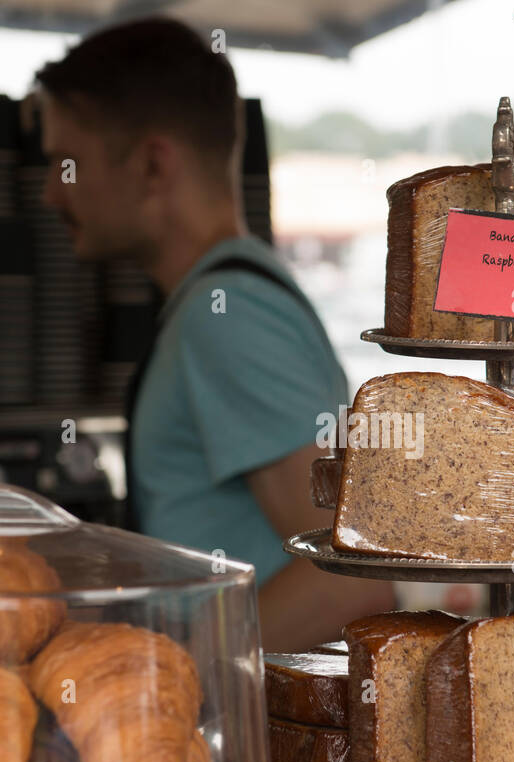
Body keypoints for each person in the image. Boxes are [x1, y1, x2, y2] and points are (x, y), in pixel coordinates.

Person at [33, 18, 395, 652]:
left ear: (151, 165)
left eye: (67, 164)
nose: (48, 194)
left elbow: (350, 584)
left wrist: (152, 686)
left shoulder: (227, 316)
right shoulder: (230, 298)